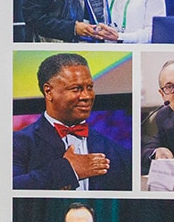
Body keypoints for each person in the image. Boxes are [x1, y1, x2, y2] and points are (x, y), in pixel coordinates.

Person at [13, 51, 127, 192]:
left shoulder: (117, 152)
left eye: (89, 88)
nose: (86, 96)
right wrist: (68, 170)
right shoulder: (19, 143)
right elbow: (8, 189)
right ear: (49, 92)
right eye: (76, 89)